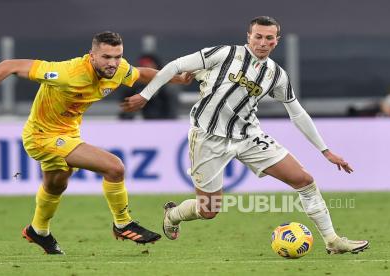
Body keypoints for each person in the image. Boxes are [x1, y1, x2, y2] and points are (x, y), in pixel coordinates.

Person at [121, 16, 370, 255]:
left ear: (277, 40)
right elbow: (175, 66)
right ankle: (173, 215)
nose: (263, 43)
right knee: (208, 210)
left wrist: (325, 150)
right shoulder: (223, 54)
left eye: (269, 38)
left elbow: (297, 113)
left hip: (249, 136)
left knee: (304, 180)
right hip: (208, 137)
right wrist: (145, 95)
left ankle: (332, 241)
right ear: (248, 36)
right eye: (258, 36)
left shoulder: (276, 75)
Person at [0, 31, 191, 254]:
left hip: (68, 133)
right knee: (114, 167)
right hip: (41, 136)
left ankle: (38, 231)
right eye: (106, 56)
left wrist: (176, 79)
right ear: (92, 56)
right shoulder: (67, 73)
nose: (113, 62)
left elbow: (142, 72)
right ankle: (122, 223)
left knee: (56, 185)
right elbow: (9, 66)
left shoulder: (118, 70)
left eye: (117, 56)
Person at [118, 54, 179, 119]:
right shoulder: (134, 86)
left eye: (148, 67)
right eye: (142, 67)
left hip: (163, 121)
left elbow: (172, 112)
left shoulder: (168, 86)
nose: (145, 69)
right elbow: (124, 111)